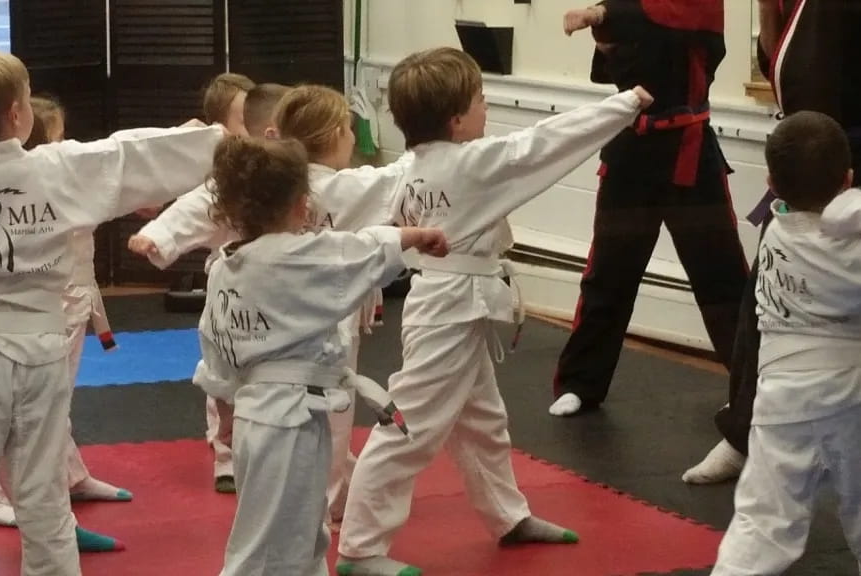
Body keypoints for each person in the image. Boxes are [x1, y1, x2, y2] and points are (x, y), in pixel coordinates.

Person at [622, 0, 861, 484]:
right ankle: (744, 433)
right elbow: (782, 61)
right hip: (809, 160)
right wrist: (769, 10)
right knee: (766, 300)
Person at [335, 47, 654, 576]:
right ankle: (360, 547)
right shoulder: (471, 162)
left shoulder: (407, 168)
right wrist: (624, 104)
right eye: (481, 100)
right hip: (449, 306)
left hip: (453, 301)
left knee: (482, 421)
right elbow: (544, 145)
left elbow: (346, 197)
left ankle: (507, 516)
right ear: (458, 120)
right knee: (409, 424)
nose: (488, 107)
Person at [0, 49, 224, 576]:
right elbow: (124, 156)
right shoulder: (56, 170)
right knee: (42, 491)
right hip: (41, 350)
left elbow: (122, 154)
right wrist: (211, 140)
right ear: (17, 114)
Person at [195, 135, 449, 576]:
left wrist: (226, 410)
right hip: (284, 421)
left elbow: (215, 349)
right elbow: (364, 247)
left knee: (301, 532)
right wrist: (418, 236)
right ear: (302, 203)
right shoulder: (297, 255)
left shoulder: (224, 267)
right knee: (267, 544)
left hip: (266, 415)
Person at [550, 0, 748, 417]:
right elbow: (616, 65)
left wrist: (598, 13)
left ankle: (760, 397)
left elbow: (659, 11)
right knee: (608, 271)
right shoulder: (630, 1)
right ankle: (580, 383)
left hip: (689, 156)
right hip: (632, 153)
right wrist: (606, 36)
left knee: (722, 277)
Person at [710, 111, 861, 575]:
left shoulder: (775, 230)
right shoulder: (860, 254)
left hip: (780, 402)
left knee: (762, 521)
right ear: (849, 179)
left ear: (770, 181)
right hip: (850, 397)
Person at [127, 82, 286, 493]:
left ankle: (322, 454)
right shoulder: (225, 177)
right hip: (233, 287)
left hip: (283, 288)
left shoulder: (292, 173)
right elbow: (194, 208)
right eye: (240, 120)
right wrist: (159, 234)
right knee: (223, 375)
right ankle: (226, 453)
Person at [0, 95, 128, 553]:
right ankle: (6, 501)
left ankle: (72, 477)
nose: (66, 143)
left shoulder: (63, 178)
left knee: (57, 404)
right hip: (40, 312)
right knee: (26, 416)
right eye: (58, 136)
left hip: (73, 303)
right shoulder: (30, 184)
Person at [272, 84, 412, 526]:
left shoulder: (270, 183)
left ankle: (307, 492)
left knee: (286, 414)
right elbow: (404, 174)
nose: (354, 138)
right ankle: (326, 504)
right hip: (331, 319)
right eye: (350, 129)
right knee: (333, 413)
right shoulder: (345, 188)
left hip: (276, 316)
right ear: (334, 134)